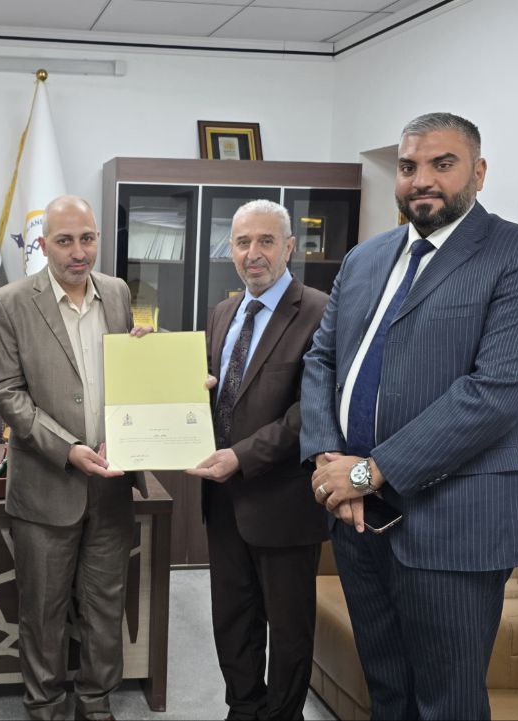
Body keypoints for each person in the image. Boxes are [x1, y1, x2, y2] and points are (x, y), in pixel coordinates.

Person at [300, 112, 518, 720]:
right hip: (358, 521)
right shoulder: (365, 259)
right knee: (387, 692)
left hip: (453, 525)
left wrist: (366, 472)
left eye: (442, 164)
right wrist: (327, 460)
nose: (421, 179)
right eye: (408, 166)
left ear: (479, 172)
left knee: (447, 703)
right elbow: (322, 359)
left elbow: (494, 393)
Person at [0, 195, 151, 721]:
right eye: (65, 241)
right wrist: (67, 449)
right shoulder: (9, 303)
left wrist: (148, 355)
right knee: (43, 611)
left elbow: (126, 373)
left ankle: (97, 703)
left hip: (112, 483)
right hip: (45, 486)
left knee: (105, 606)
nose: (79, 252)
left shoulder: (118, 293)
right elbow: (6, 391)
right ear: (43, 244)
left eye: (87, 238)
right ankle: (45, 707)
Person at [186, 200, 329, 720]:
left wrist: (241, 457)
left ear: (289, 247)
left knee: (288, 631)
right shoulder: (222, 313)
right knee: (232, 619)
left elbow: (311, 411)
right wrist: (152, 359)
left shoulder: (319, 311)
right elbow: (210, 392)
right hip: (223, 500)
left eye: (266, 241)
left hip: (283, 502)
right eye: (243, 242)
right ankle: (243, 709)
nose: (253, 253)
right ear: (230, 249)